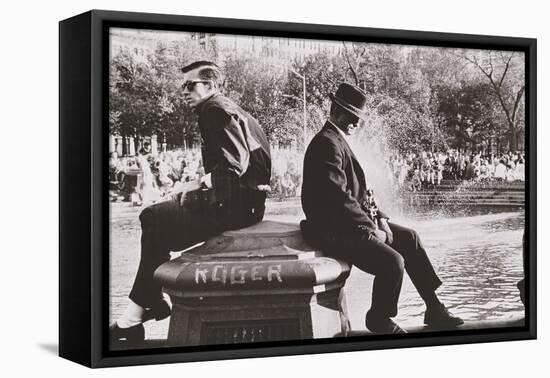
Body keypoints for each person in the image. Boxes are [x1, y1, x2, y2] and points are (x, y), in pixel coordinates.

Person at [111, 61, 272, 344]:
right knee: (157, 221)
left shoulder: (214, 110)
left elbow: (232, 167)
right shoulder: (231, 108)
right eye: (182, 85)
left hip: (234, 208)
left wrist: (192, 185)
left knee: (152, 218)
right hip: (247, 204)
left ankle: (141, 310)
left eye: (190, 85)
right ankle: (140, 310)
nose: (183, 91)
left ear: (209, 86)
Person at [300, 83, 463, 334]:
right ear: (336, 111)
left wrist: (381, 219)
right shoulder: (326, 143)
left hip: (349, 224)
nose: (356, 123)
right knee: (393, 262)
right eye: (352, 117)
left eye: (359, 119)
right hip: (335, 231)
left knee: (410, 238)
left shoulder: (336, 140)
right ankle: (379, 317)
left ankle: (433, 307)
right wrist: (369, 228)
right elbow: (337, 198)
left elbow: (361, 192)